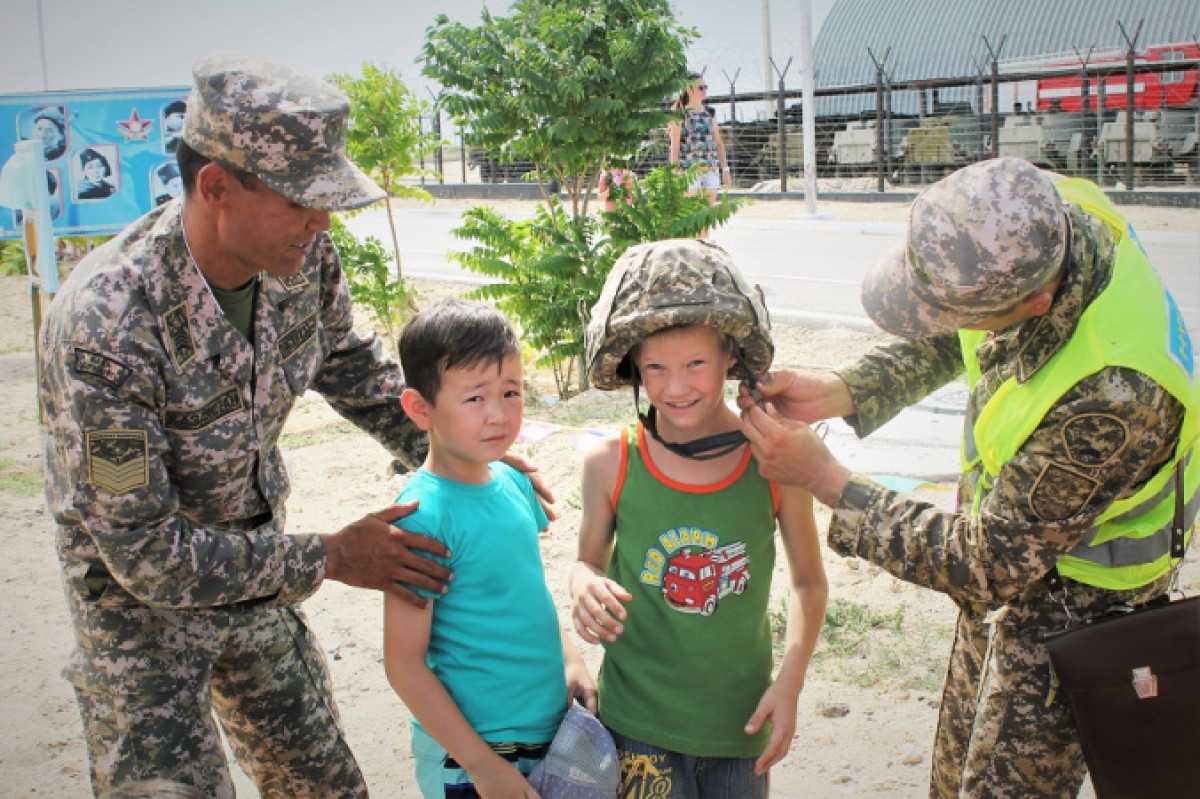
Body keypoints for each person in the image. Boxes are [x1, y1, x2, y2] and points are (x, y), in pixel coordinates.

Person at [40, 54, 479, 798]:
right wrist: (332, 557)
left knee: (326, 788)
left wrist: (463, 450)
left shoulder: (301, 258)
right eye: (303, 198)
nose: (323, 220)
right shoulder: (107, 326)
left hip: (253, 579)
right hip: (138, 620)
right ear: (216, 187)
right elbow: (146, 554)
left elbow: (349, 363)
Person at [737, 157, 1198, 797]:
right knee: (953, 780)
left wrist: (830, 481)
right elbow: (957, 322)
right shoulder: (1028, 211)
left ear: (1035, 304)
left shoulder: (1111, 393)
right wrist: (848, 389)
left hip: (1079, 604)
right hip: (1016, 568)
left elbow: (994, 563)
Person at [571, 238, 828, 797]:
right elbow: (586, 561)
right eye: (656, 368)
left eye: (696, 364)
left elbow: (809, 583)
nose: (677, 386)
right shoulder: (610, 462)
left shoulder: (775, 458)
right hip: (636, 727)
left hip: (741, 726)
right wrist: (583, 584)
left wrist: (791, 682)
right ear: (632, 366)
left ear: (730, 357)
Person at [383, 298, 597, 799]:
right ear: (420, 408)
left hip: (545, 732)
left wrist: (572, 662)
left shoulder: (512, 481)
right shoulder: (422, 515)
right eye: (475, 398)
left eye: (511, 391)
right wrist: (481, 764)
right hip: (472, 753)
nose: (499, 414)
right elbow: (404, 664)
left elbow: (524, 593)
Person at [668, 73, 730, 207]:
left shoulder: (710, 113)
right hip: (689, 171)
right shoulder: (679, 115)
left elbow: (718, 143)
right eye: (701, 88)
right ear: (688, 90)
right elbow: (675, 147)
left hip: (711, 168)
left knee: (706, 217)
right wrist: (674, 173)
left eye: (705, 87)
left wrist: (725, 169)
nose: (705, 91)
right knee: (693, 215)